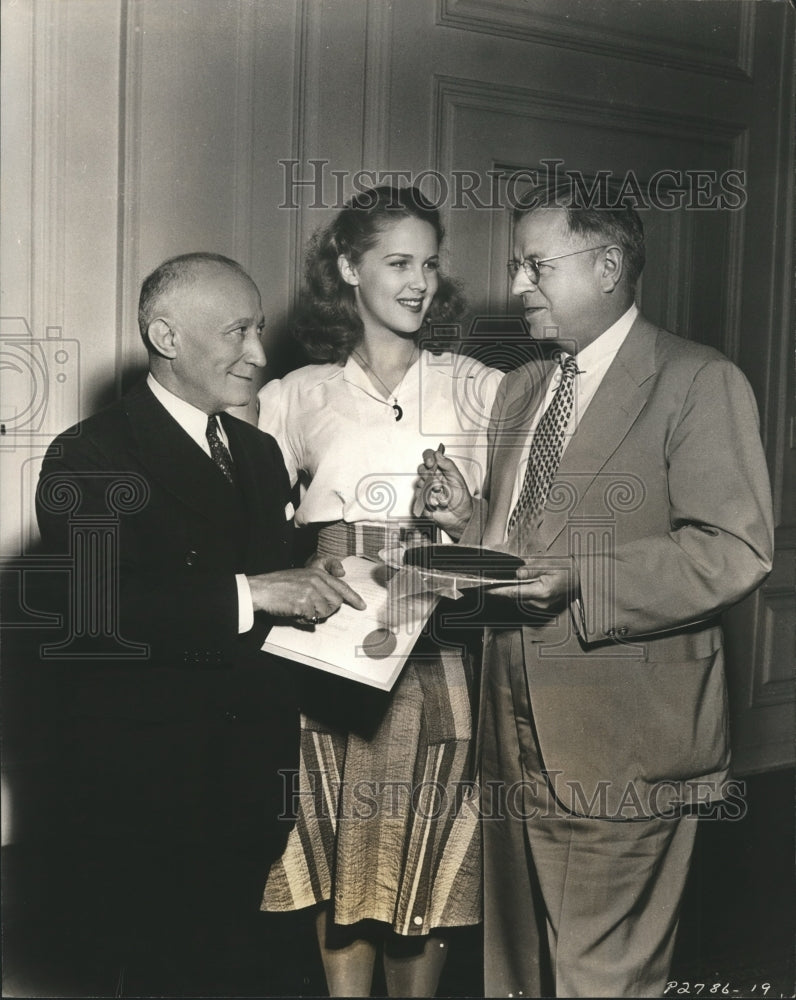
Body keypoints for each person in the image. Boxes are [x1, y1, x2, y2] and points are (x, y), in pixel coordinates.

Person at [414, 191, 774, 997]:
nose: (517, 287)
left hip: (625, 736)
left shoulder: (698, 380)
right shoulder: (525, 389)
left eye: (537, 266)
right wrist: (468, 519)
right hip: (510, 723)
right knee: (520, 967)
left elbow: (735, 549)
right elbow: (526, 545)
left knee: (601, 975)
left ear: (608, 268)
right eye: (517, 265)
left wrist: (587, 583)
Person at [34, 252, 365, 997]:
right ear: (166, 336)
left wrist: (324, 576)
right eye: (237, 331)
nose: (257, 353)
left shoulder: (256, 451)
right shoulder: (90, 456)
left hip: (251, 777)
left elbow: (272, 585)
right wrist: (256, 592)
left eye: (259, 330)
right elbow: (95, 614)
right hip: (152, 795)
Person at [257, 186, 504, 997]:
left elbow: (521, 528)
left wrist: (465, 515)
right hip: (331, 651)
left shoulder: (478, 386)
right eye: (398, 262)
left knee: (426, 864)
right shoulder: (296, 394)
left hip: (438, 649)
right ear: (347, 267)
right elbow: (253, 515)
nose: (418, 282)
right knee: (339, 859)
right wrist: (302, 564)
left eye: (429, 264)